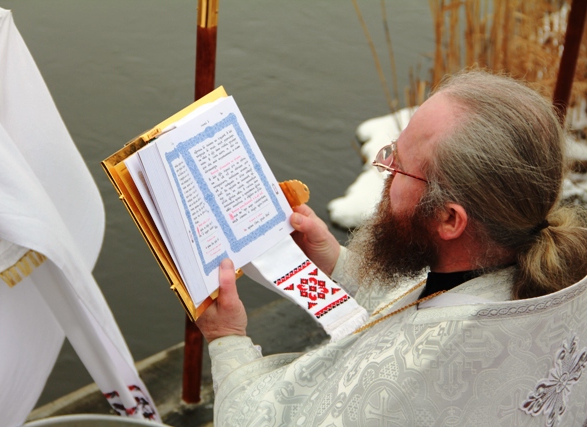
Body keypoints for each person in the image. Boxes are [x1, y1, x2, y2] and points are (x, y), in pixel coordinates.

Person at [196, 70, 587, 426]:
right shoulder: (546, 276)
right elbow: (430, 306)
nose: (382, 169)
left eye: (397, 165)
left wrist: (226, 338)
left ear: (450, 220)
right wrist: (336, 263)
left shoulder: (405, 375)